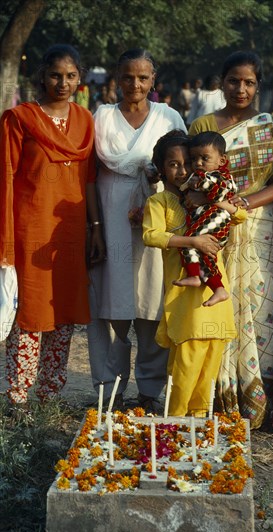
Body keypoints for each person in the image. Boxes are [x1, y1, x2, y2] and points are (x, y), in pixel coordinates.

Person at [189, 51, 273, 428]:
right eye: (234, 80)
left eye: (249, 82)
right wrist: (217, 205)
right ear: (221, 82)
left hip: (258, 227)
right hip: (213, 226)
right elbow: (192, 175)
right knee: (217, 304)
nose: (241, 88)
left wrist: (241, 202)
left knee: (260, 307)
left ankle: (258, 404)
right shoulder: (204, 124)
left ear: (258, 86)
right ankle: (216, 398)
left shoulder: (271, 130)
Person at [0, 44, 104, 414]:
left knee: (62, 310)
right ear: (42, 75)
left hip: (71, 229)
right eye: (56, 74)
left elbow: (89, 178)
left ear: (80, 78)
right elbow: (7, 177)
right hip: (30, 227)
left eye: (71, 76)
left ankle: (48, 395)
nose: (63, 82)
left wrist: (94, 228)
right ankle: (18, 397)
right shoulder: (19, 118)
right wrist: (7, 236)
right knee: (30, 310)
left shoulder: (85, 121)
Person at [88, 49, 186, 413]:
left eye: (143, 78)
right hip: (109, 210)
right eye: (128, 77)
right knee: (111, 304)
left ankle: (149, 390)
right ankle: (108, 390)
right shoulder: (101, 117)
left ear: (153, 81)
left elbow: (182, 169)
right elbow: (89, 176)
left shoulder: (168, 116)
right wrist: (95, 227)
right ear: (117, 77)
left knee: (151, 304)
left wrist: (155, 192)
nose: (135, 84)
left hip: (155, 216)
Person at [143, 130, 247, 416]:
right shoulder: (159, 202)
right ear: (161, 168)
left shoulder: (203, 198)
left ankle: (199, 420)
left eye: (187, 162)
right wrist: (191, 241)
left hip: (215, 289)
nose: (183, 170)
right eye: (173, 164)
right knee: (186, 359)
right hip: (183, 295)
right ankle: (175, 420)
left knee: (210, 356)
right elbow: (151, 236)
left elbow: (240, 215)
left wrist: (217, 202)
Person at [175, 131, 237, 307]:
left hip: (216, 222)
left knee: (188, 241)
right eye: (194, 159)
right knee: (206, 258)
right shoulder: (200, 177)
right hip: (206, 223)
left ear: (222, 161)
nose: (198, 163)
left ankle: (194, 276)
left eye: (205, 158)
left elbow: (219, 191)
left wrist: (199, 181)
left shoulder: (223, 177)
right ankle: (217, 288)